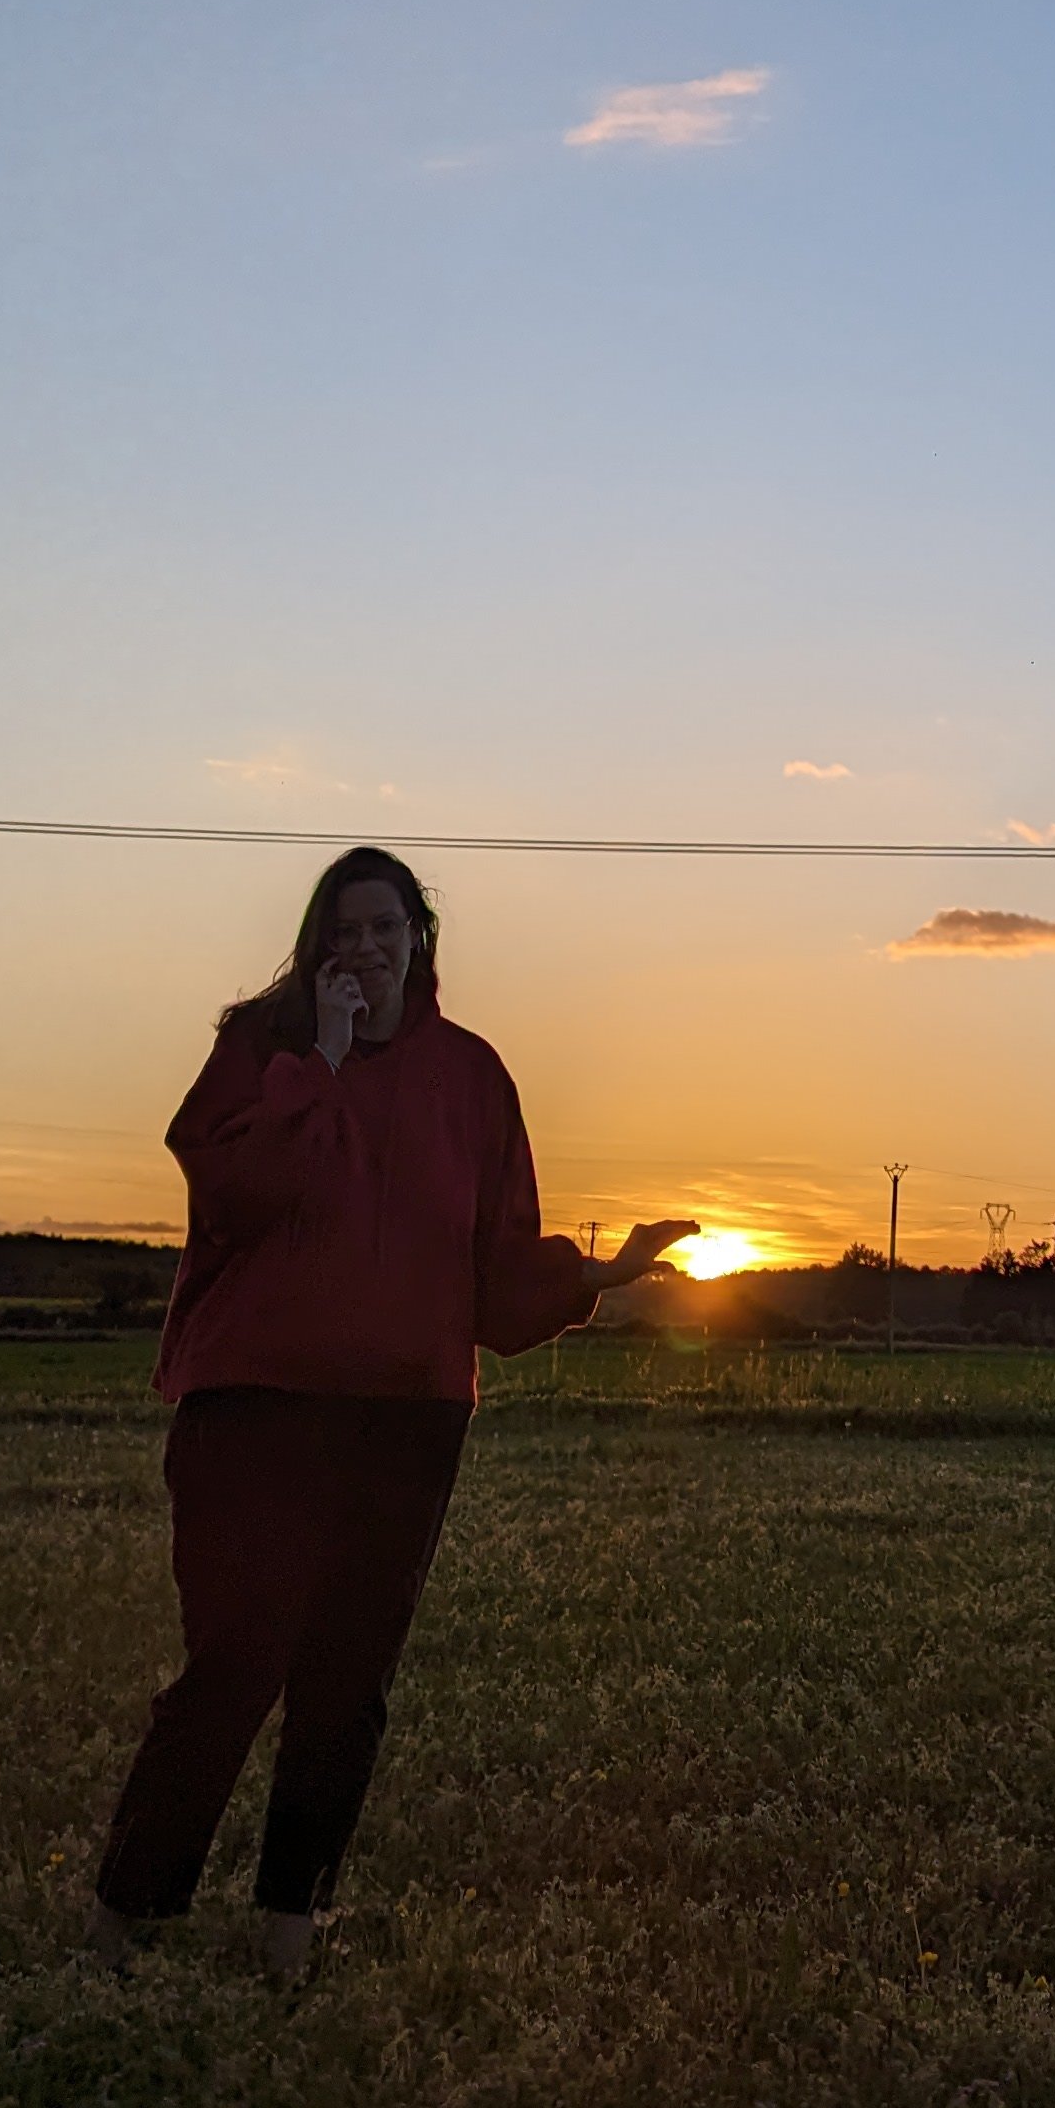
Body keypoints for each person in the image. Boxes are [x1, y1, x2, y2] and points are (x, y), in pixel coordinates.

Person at [89, 846, 690, 1977]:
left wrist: (597, 1279)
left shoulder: (472, 1078)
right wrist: (317, 1060)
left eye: (385, 928)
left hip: (406, 1419)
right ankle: (119, 1924)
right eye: (342, 933)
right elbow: (238, 1194)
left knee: (347, 1683)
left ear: (421, 940)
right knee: (235, 1666)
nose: (364, 949)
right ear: (317, 950)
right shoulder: (257, 1052)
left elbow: (494, 1267)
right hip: (255, 1411)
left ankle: (289, 1939)